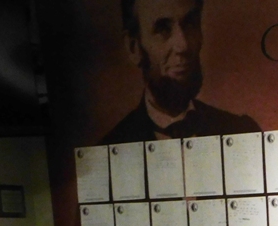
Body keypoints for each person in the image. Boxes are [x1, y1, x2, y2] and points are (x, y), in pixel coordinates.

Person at [101, 0, 261, 144]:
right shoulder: (109, 150)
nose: (183, 45)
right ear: (134, 47)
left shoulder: (243, 133)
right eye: (163, 29)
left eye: (189, 24)